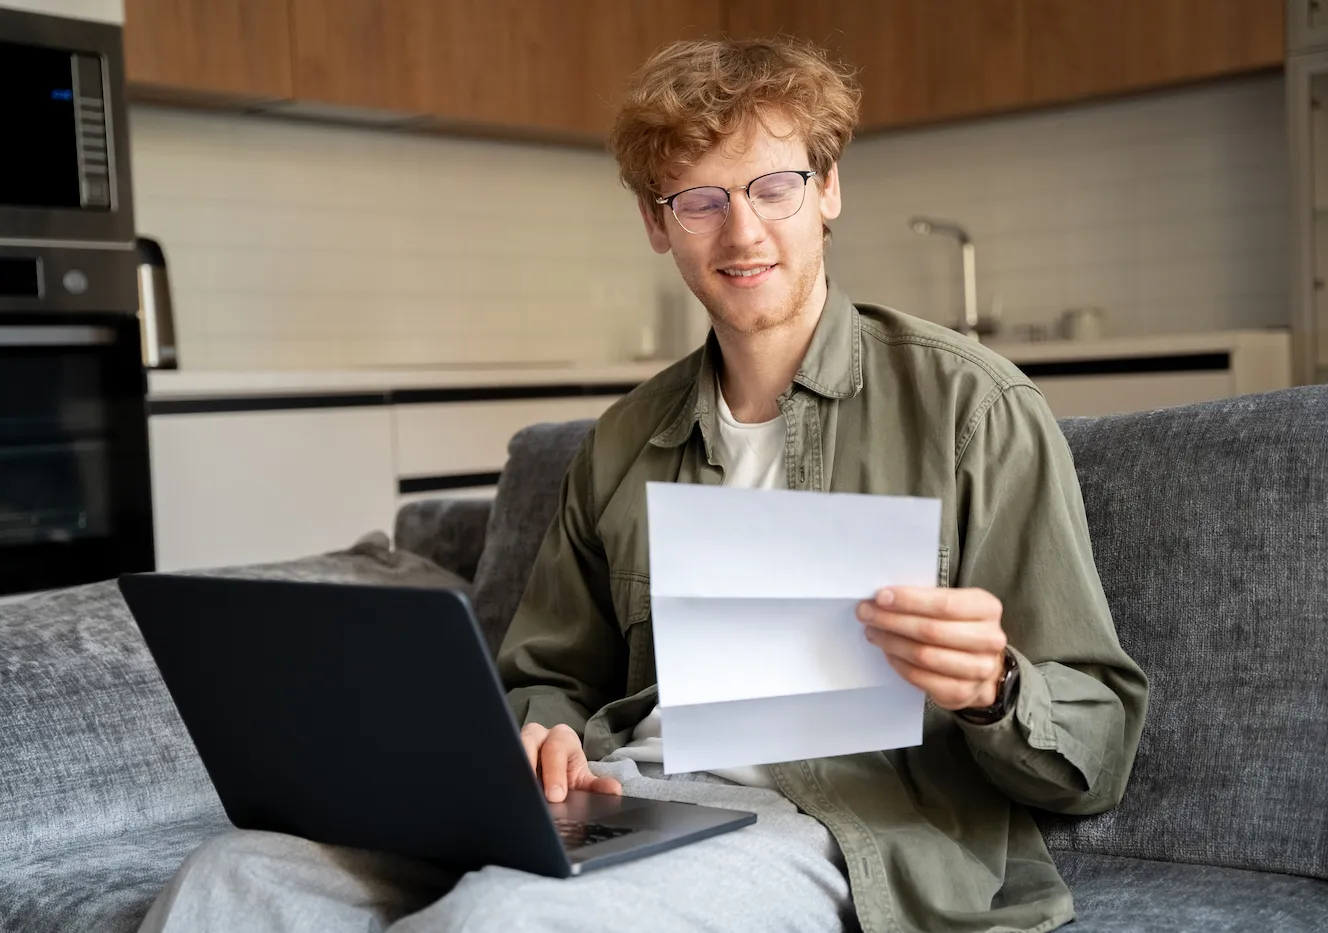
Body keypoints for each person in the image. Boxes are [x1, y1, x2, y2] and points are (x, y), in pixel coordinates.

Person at [139, 37, 1147, 933]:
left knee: (507, 917)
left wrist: (993, 689)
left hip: (836, 824)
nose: (742, 234)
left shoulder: (970, 406)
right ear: (656, 223)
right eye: (698, 200)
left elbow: (1094, 735)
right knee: (234, 881)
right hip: (631, 798)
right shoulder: (621, 440)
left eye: (773, 188)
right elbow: (548, 675)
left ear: (827, 189)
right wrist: (545, 737)